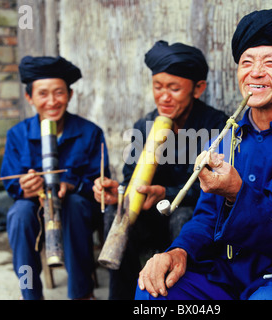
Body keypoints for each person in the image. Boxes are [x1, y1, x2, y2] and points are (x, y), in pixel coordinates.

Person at [135, 9, 272, 300]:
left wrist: (238, 193)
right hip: (229, 274)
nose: (255, 72)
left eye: (270, 63)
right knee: (155, 291)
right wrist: (179, 251)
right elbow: (206, 216)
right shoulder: (224, 140)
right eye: (246, 62)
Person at [93, 40, 228, 300]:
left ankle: (179, 294)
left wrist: (167, 192)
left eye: (174, 88)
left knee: (184, 215)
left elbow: (214, 191)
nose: (164, 96)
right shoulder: (144, 125)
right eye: (158, 87)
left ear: (198, 89)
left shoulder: (216, 125)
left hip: (191, 219)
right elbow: (130, 177)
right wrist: (119, 192)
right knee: (115, 214)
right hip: (150, 216)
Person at [1, 56, 110, 300]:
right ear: (29, 97)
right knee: (18, 215)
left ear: (70, 95)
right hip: (34, 212)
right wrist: (26, 188)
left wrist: (74, 184)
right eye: (43, 94)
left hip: (77, 213)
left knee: (74, 204)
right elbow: (11, 185)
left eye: (59, 93)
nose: (52, 102)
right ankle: (29, 294)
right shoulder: (17, 134)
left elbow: (101, 184)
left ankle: (82, 293)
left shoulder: (90, 132)